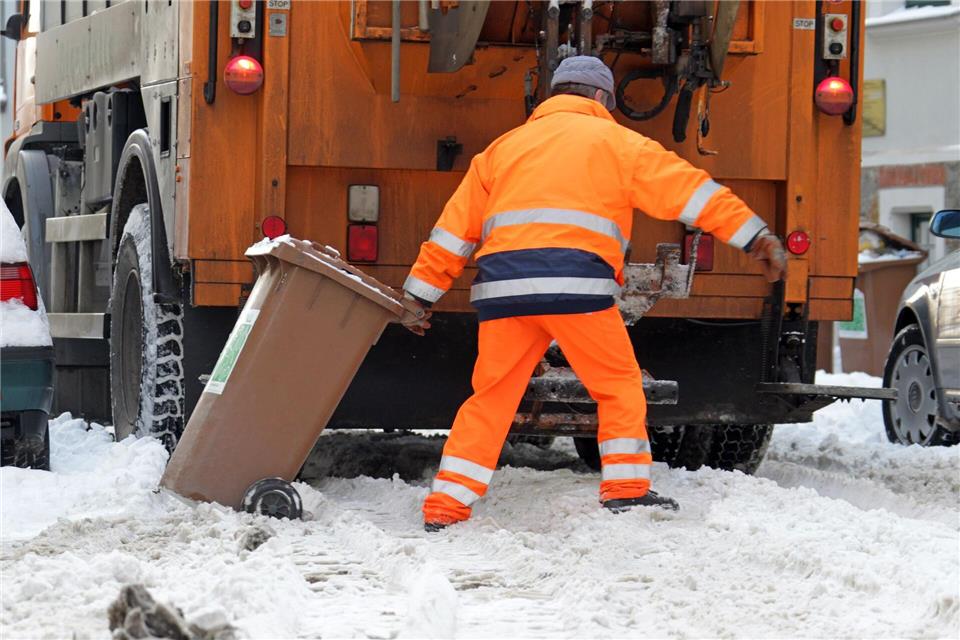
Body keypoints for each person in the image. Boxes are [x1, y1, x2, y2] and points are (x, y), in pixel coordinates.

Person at [398, 56, 787, 531]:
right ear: (602, 98)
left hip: (503, 295)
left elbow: (452, 233)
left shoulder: (501, 150)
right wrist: (756, 235)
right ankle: (625, 490)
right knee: (618, 387)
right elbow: (694, 194)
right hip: (578, 291)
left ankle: (446, 507)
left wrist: (420, 297)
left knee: (491, 399)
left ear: (554, 95)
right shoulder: (620, 144)